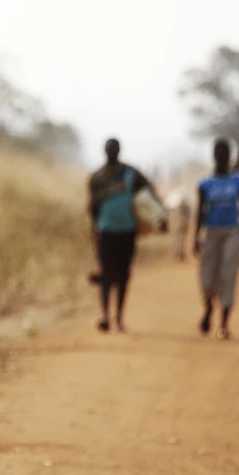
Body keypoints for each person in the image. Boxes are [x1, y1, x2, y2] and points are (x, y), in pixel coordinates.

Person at [86, 138, 155, 333]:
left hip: (127, 230)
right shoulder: (97, 177)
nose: (111, 152)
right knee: (107, 273)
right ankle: (106, 316)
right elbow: (92, 207)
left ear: (118, 151)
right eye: (109, 149)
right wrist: (94, 232)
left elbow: (148, 192)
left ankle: (118, 317)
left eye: (113, 149)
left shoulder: (131, 174)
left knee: (123, 274)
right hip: (105, 231)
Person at [193, 139, 239, 339]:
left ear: (230, 157)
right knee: (207, 276)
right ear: (214, 156)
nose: (221, 157)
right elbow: (200, 212)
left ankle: (224, 324)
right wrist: (195, 236)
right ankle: (209, 309)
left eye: (225, 153)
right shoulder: (205, 183)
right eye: (218, 153)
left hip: (232, 233)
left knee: (229, 275)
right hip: (211, 233)